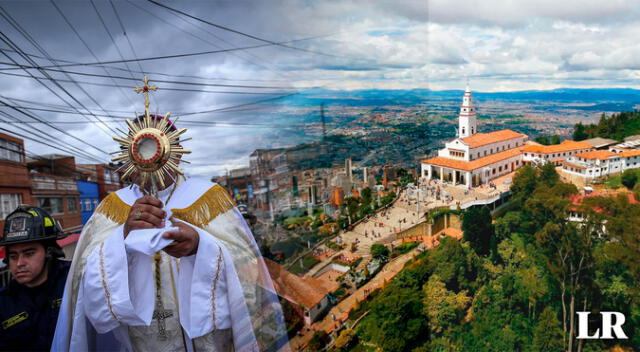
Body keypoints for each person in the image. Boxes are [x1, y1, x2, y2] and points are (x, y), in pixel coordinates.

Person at [53, 115, 288, 351]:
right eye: (137, 149)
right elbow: (82, 280)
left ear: (175, 151)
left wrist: (200, 246)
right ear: (128, 156)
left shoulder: (209, 197)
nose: (149, 159)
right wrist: (122, 240)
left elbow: (247, 264)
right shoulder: (111, 208)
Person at [0, 206, 69, 351]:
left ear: (49, 252)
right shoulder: (3, 302)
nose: (19, 263)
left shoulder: (74, 281)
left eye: (29, 253)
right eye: (13, 256)